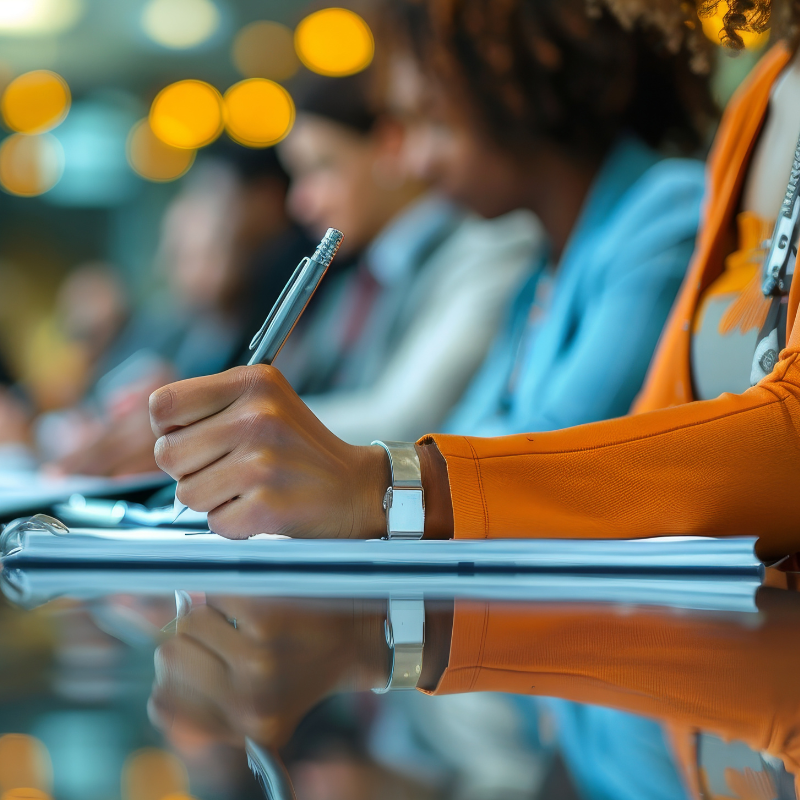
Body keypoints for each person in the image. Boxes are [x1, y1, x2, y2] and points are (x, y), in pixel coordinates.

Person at [274, 70, 542, 443]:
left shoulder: (490, 245)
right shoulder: (360, 278)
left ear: (390, 146)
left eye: (321, 167)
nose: (300, 203)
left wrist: (240, 424)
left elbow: (405, 425)